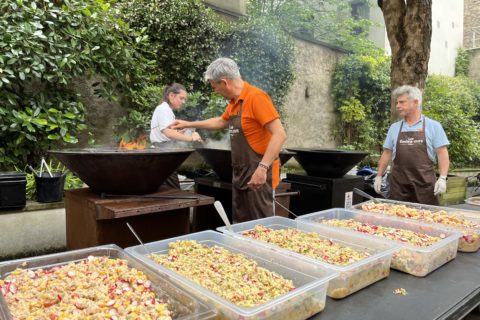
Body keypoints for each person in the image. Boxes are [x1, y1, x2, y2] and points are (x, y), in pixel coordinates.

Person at [171, 58, 287, 222]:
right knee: (241, 223)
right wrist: (189, 123)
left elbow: (280, 134)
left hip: (259, 173)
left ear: (224, 82)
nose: (215, 90)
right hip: (240, 173)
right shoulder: (234, 103)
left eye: (214, 86)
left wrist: (262, 168)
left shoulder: (256, 98)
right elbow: (221, 121)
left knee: (261, 225)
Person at [374, 85, 450, 205]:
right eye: (397, 103)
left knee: (426, 221)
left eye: (401, 102)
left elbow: (442, 153)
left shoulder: (433, 126)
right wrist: (379, 176)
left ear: (415, 102)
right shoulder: (394, 128)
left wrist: (442, 178)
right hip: (399, 187)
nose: (397, 106)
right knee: (397, 219)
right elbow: (387, 152)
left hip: (425, 187)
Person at [150, 83, 203, 188]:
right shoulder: (163, 109)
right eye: (181, 98)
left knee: (167, 189)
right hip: (162, 154)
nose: (183, 102)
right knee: (173, 190)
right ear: (171, 96)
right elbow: (168, 132)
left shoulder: (167, 110)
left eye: (185, 100)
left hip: (163, 152)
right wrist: (191, 138)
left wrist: (183, 132)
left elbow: (169, 132)